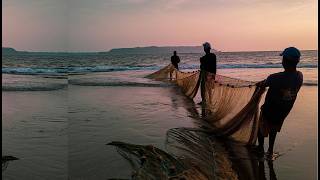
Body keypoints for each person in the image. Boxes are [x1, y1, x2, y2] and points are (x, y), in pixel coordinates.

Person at [256, 47, 303, 160]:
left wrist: (258, 84)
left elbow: (264, 84)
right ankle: (270, 151)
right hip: (283, 112)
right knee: (274, 129)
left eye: (283, 59)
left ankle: (261, 149)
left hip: (268, 110)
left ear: (285, 61)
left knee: (260, 129)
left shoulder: (274, 78)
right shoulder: (299, 76)